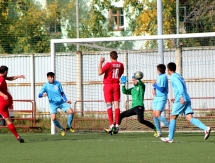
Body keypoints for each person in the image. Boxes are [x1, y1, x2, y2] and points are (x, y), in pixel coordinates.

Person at [161, 62, 211, 143]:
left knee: (173, 117)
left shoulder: (173, 77)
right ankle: (206, 128)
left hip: (182, 99)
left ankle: (170, 138)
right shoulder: (179, 76)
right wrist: (179, 96)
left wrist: (180, 96)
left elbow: (180, 86)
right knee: (189, 118)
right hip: (186, 98)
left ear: (168, 69)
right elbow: (182, 87)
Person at [38, 72, 75, 136]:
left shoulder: (58, 83)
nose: (52, 78)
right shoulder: (45, 86)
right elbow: (39, 95)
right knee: (53, 118)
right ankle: (61, 129)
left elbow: (62, 93)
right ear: (47, 78)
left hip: (61, 102)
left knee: (71, 112)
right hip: (53, 104)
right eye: (51, 77)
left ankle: (68, 126)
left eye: (53, 77)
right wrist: (42, 95)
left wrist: (66, 100)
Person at [98, 51, 124, 133]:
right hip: (116, 85)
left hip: (108, 86)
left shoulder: (108, 64)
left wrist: (100, 62)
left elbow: (99, 72)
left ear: (110, 57)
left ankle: (111, 124)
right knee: (116, 105)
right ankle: (117, 125)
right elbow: (121, 73)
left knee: (109, 105)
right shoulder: (121, 65)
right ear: (117, 56)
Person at [0, 65, 25, 143]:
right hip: (8, 101)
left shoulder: (2, 78)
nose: (7, 73)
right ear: (5, 72)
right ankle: (17, 136)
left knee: (8, 121)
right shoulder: (2, 78)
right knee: (9, 121)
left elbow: (9, 78)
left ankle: (17, 136)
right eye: (7, 72)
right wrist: (4, 95)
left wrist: (17, 76)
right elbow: (8, 78)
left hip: (2, 103)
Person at [152, 64, 169, 137]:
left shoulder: (164, 77)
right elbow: (158, 86)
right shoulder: (159, 77)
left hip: (162, 98)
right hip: (157, 97)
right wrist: (154, 88)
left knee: (158, 115)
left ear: (158, 70)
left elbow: (162, 89)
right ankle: (159, 131)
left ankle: (171, 126)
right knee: (154, 115)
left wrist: (154, 85)